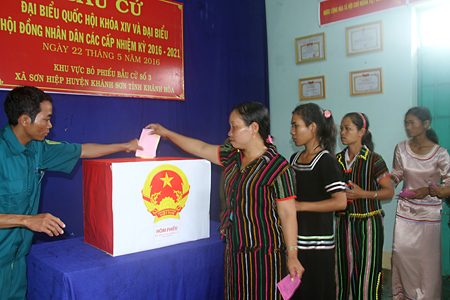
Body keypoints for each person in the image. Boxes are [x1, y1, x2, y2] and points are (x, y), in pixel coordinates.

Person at [146, 102, 304, 300]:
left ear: (254, 128)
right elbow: (201, 147)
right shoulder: (231, 156)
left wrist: (292, 255)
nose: (230, 132)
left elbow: (288, 214)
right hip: (234, 253)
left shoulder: (278, 168)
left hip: (265, 256)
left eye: (234, 127)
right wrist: (167, 133)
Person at [0, 86, 142, 300]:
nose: (51, 125)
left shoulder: (38, 148)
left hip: (15, 258)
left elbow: (82, 150)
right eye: (46, 119)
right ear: (24, 120)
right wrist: (27, 220)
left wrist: (125, 146)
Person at [390, 106, 450, 300]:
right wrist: (385, 181)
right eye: (406, 123)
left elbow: (448, 184)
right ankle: (404, 295)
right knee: (400, 254)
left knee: (426, 263)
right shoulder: (401, 148)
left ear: (426, 124)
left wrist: (430, 190)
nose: (408, 127)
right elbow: (397, 173)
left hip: (428, 214)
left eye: (412, 123)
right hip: (405, 210)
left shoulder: (440, 153)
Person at [289, 103, 347, 300]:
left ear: (312, 127)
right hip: (296, 243)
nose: (292, 131)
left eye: (296, 126)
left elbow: (340, 202)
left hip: (318, 245)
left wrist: (301, 206)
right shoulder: (294, 159)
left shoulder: (326, 161)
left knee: (317, 292)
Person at [335, 112, 394, 299]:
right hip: (343, 223)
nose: (342, 133)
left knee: (367, 272)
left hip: (369, 224)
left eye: (347, 128)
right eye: (341, 129)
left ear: (362, 132)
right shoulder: (336, 160)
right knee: (342, 270)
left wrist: (363, 194)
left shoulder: (374, 160)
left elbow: (389, 191)